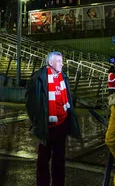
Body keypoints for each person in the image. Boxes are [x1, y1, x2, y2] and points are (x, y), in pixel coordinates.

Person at [26, 51, 81, 186]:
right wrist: (37, 121)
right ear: (50, 63)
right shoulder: (39, 78)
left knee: (59, 158)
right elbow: (30, 102)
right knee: (43, 159)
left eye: (62, 61)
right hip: (46, 126)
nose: (62, 64)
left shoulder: (63, 77)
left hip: (61, 124)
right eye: (59, 61)